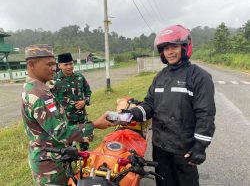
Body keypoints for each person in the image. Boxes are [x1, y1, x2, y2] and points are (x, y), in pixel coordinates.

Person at [120, 25, 216, 186]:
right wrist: (131, 114)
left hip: (183, 149)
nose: (170, 52)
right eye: (165, 48)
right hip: (160, 147)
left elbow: (205, 114)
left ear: (184, 47)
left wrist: (200, 146)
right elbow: (150, 104)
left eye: (174, 46)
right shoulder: (160, 77)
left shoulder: (199, 76)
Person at [21, 44, 113, 186]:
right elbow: (61, 132)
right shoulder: (40, 95)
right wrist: (95, 125)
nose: (54, 68)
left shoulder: (35, 87)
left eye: (54, 64)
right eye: (49, 64)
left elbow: (87, 92)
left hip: (52, 154)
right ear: (31, 64)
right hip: (50, 165)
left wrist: (85, 102)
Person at [52, 53, 91, 150]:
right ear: (59, 65)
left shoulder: (79, 77)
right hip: (66, 121)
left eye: (71, 64)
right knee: (70, 148)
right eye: (66, 65)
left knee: (85, 145)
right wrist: (56, 114)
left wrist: (84, 101)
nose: (69, 67)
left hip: (81, 118)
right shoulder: (54, 81)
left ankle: (85, 163)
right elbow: (49, 100)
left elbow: (88, 91)